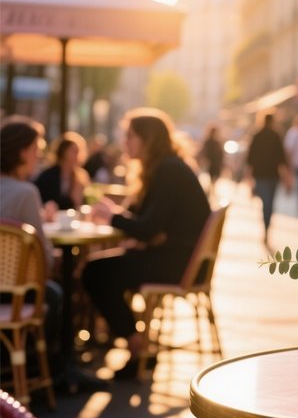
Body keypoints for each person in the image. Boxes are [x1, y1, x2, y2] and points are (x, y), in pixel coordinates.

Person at [82, 108, 210, 379]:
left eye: (130, 136)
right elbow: (146, 221)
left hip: (176, 264)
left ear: (147, 139)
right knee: (102, 268)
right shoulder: (166, 167)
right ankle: (135, 342)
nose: (125, 143)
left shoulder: (167, 170)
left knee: (94, 272)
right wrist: (119, 215)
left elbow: (147, 227)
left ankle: (137, 345)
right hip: (181, 260)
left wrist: (112, 217)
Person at [0, 117, 70, 388]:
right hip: (13, 295)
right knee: (53, 292)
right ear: (21, 152)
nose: (39, 157)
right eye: (35, 150)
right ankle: (35, 369)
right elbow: (44, 256)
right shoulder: (26, 192)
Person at [245, 112, 291, 249]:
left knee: (266, 202)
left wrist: (248, 177)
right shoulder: (276, 136)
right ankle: (267, 227)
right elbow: (282, 159)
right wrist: (287, 177)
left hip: (260, 175)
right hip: (273, 175)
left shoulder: (257, 135)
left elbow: (250, 159)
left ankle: (265, 228)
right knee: (270, 203)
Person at [34, 131, 90, 211]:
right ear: (64, 152)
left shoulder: (80, 177)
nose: (78, 155)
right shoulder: (48, 176)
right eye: (74, 151)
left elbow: (81, 205)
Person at [198, 124, 225, 200]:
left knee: (215, 176)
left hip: (216, 163)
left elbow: (221, 154)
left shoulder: (218, 142)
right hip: (211, 163)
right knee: (211, 176)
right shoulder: (209, 141)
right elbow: (204, 152)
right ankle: (210, 189)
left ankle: (212, 188)